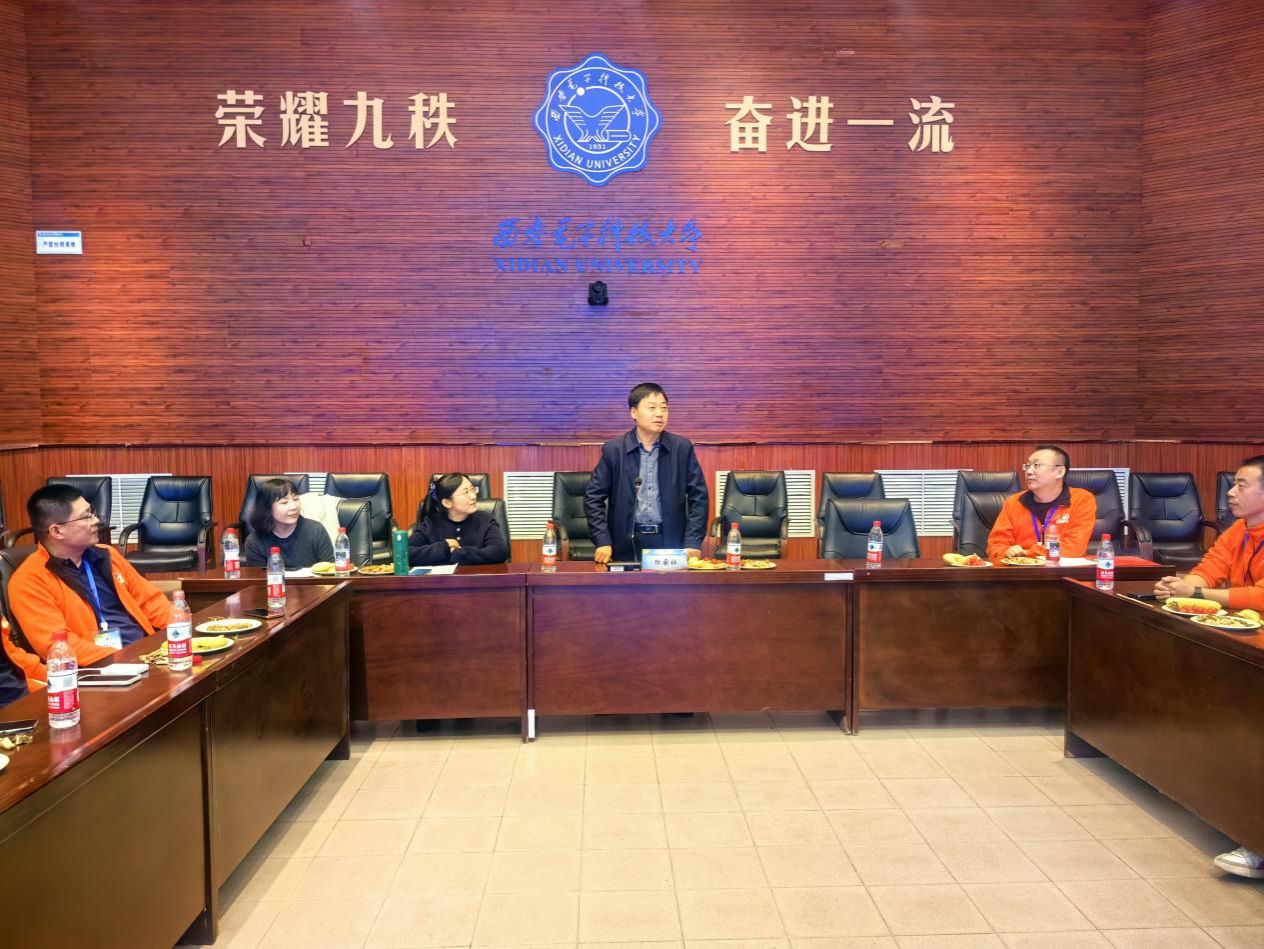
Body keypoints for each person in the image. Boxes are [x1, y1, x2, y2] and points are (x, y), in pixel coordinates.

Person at [1154, 455, 1264, 880]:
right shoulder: (1239, 530)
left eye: (1241, 485)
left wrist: (1203, 596)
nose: (1230, 493)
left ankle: (1255, 842)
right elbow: (1209, 569)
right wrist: (1184, 586)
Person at [8, 484, 172, 667]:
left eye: (92, 513)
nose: (96, 520)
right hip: (99, 671)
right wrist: (128, 659)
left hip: (149, 656)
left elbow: (151, 602)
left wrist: (180, 630)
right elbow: (58, 646)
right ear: (57, 531)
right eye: (86, 516)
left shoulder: (107, 555)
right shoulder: (29, 581)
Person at [585, 382, 709, 564]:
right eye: (652, 408)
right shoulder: (614, 450)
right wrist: (602, 540)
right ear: (634, 412)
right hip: (626, 541)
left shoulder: (681, 448)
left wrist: (692, 541)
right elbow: (593, 498)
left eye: (664, 408)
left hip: (671, 541)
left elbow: (699, 497)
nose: (659, 414)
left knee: (670, 584)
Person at [987, 445, 1097, 562]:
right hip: (1022, 571)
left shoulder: (1082, 500)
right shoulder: (1013, 502)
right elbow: (995, 545)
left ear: (1059, 471)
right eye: (1027, 466)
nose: (1028, 471)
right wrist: (1006, 551)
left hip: (1065, 571)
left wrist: (1028, 553)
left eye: (1037, 465)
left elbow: (1074, 548)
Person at [409, 473, 509, 566]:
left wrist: (458, 553)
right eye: (466, 492)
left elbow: (500, 552)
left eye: (472, 489)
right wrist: (444, 548)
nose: (473, 496)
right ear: (447, 503)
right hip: (441, 579)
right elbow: (405, 553)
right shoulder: (430, 523)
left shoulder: (485, 520)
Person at [243, 477, 334, 568]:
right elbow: (259, 576)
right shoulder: (254, 542)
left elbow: (330, 571)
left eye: (296, 499)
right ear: (267, 507)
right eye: (284, 502)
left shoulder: (316, 531)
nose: (294, 507)